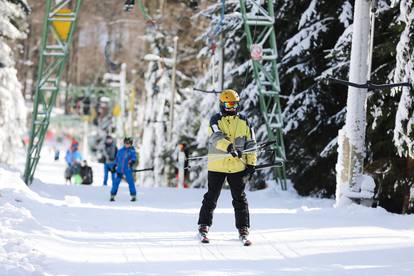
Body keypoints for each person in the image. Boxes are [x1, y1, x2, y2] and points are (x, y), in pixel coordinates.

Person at [197, 89, 257, 241]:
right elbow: (216, 137)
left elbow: (251, 143)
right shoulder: (215, 120)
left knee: (240, 198)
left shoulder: (244, 121)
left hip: (237, 167)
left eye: (234, 104)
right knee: (211, 196)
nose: (232, 107)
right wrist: (229, 147)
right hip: (218, 166)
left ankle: (243, 227)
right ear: (222, 104)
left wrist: (251, 163)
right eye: (228, 104)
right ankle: (204, 224)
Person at [110, 137, 137, 202]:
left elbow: (134, 158)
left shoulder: (132, 151)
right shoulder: (120, 151)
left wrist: (131, 162)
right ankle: (112, 195)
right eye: (126, 143)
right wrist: (114, 166)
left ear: (131, 144)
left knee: (130, 182)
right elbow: (117, 159)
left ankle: (133, 195)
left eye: (128, 143)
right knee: (116, 182)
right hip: (119, 169)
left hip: (127, 169)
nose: (127, 145)